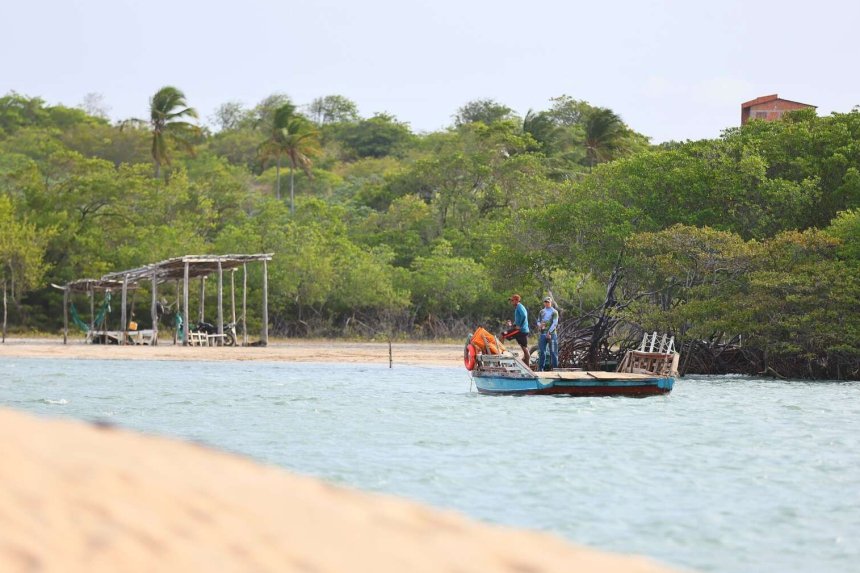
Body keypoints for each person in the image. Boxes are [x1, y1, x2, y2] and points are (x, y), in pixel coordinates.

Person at [537, 296, 559, 371]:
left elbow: (555, 323)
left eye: (548, 302)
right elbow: (538, 321)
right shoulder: (541, 311)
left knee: (553, 352)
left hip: (552, 334)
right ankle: (541, 369)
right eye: (545, 302)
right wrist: (540, 325)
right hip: (543, 334)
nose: (546, 303)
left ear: (551, 302)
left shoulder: (554, 312)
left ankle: (555, 369)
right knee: (542, 352)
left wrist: (549, 332)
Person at [507, 294, 530, 364]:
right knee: (524, 348)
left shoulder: (519, 306)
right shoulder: (518, 307)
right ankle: (527, 365)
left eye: (512, 300)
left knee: (502, 335)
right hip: (522, 330)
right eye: (511, 300)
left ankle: (498, 355)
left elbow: (524, 316)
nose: (511, 302)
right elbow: (518, 320)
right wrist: (512, 325)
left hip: (521, 331)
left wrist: (519, 326)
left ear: (517, 300)